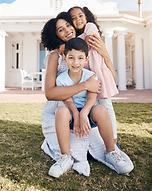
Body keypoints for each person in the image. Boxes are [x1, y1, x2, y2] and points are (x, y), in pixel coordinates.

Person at [41, 12, 134, 177]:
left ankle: (111, 150)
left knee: (102, 110)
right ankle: (65, 156)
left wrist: (105, 54)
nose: (67, 30)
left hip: (88, 104)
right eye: (60, 30)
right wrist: (84, 86)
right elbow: (50, 93)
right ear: (55, 35)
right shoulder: (56, 55)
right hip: (64, 106)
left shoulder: (85, 47)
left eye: (68, 25)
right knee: (64, 115)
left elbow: (108, 80)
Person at [68, 6, 118, 144]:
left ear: (86, 17)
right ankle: (99, 140)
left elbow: (87, 46)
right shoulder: (76, 37)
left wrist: (74, 46)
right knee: (95, 107)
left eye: (80, 16)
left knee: (106, 106)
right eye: (73, 18)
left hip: (99, 73)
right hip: (89, 76)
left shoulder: (90, 27)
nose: (78, 20)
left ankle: (113, 139)